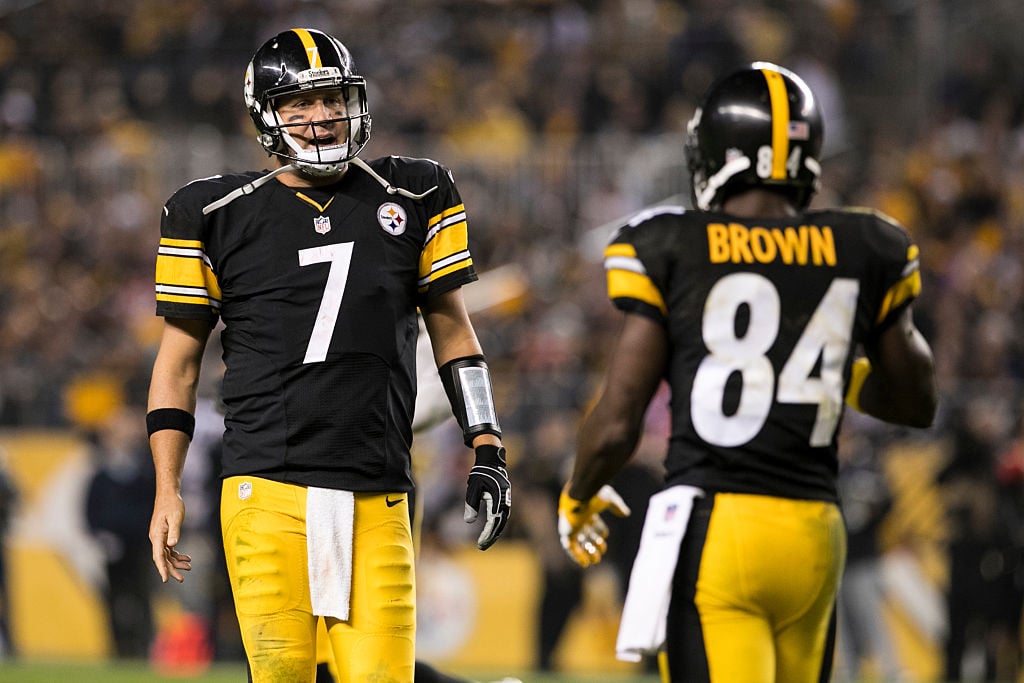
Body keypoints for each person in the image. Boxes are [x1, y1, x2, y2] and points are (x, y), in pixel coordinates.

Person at [146, 28, 511, 683]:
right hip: (266, 488)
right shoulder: (212, 212)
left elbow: (453, 331)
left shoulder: (417, 192)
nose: (320, 116)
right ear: (266, 116)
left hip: (378, 487)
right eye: (299, 104)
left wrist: (487, 445)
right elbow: (177, 364)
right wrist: (166, 488)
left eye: (332, 98)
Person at [556, 62, 937, 683]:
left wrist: (578, 495)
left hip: (719, 528)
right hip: (815, 531)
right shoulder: (866, 243)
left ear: (717, 154)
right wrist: (836, 371)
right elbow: (916, 400)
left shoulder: (672, 242)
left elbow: (619, 419)